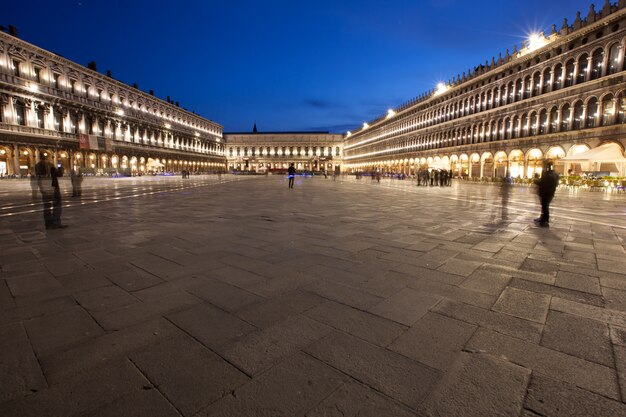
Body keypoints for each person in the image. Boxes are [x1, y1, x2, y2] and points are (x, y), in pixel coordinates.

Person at [35, 153, 67, 229]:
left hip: (44, 189)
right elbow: (59, 174)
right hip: (53, 188)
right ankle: (56, 223)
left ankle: (48, 224)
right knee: (57, 206)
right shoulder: (50, 165)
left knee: (46, 207)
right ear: (47, 157)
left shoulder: (37, 166)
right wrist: (61, 167)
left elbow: (38, 178)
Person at [534, 160, 559, 228]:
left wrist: (536, 181)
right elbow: (556, 183)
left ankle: (545, 220)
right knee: (545, 206)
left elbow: (543, 183)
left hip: (545, 193)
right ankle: (542, 218)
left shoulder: (547, 174)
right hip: (551, 193)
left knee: (545, 206)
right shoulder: (556, 174)